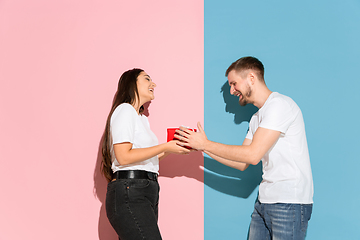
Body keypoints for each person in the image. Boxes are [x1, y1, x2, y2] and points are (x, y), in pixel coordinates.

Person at [176, 57, 314, 240]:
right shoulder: (257, 118)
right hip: (264, 202)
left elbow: (253, 155)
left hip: (289, 202)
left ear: (251, 77)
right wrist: (202, 148)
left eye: (234, 84)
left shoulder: (279, 105)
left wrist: (205, 144)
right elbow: (242, 163)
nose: (232, 91)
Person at [101, 68, 190, 240]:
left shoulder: (141, 119)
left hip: (144, 190)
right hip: (130, 190)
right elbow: (124, 157)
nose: (153, 84)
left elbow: (144, 158)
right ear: (132, 83)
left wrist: (173, 147)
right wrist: (165, 146)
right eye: (147, 79)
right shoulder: (125, 110)